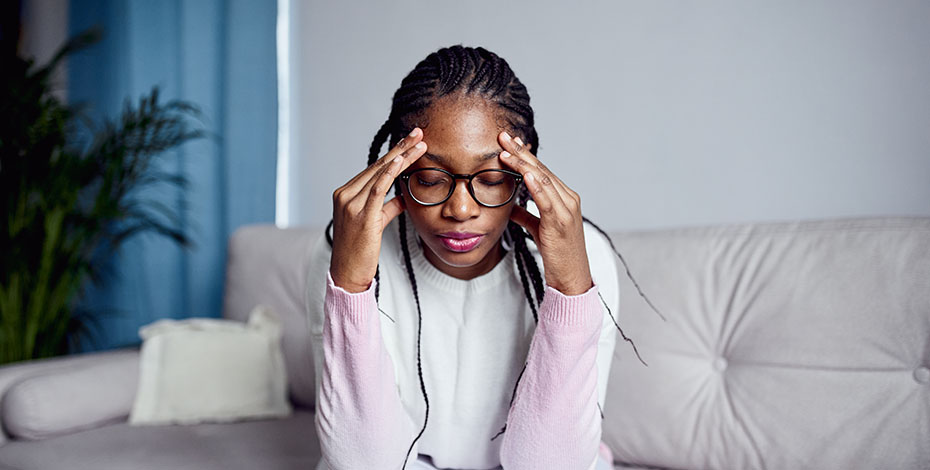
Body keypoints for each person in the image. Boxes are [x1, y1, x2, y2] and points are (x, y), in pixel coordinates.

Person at [306, 45, 642, 470]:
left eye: (491, 178)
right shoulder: (350, 249)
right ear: (396, 168)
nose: (461, 210)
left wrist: (570, 292)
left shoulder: (583, 253)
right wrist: (350, 289)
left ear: (525, 172)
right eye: (429, 178)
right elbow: (360, 463)